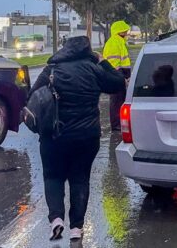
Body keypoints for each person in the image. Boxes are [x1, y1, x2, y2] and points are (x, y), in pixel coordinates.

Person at [30, 36, 126, 241]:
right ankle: (76, 228)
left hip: (54, 136)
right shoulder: (93, 69)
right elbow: (118, 84)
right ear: (87, 51)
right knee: (80, 179)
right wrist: (102, 61)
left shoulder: (52, 70)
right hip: (86, 136)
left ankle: (56, 219)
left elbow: (33, 96)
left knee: (53, 177)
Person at [103, 20, 132, 131]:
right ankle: (116, 126)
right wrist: (120, 77)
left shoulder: (119, 42)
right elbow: (113, 64)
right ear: (119, 32)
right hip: (116, 76)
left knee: (120, 100)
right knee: (116, 101)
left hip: (120, 76)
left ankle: (119, 124)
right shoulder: (113, 43)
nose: (126, 33)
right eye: (124, 31)